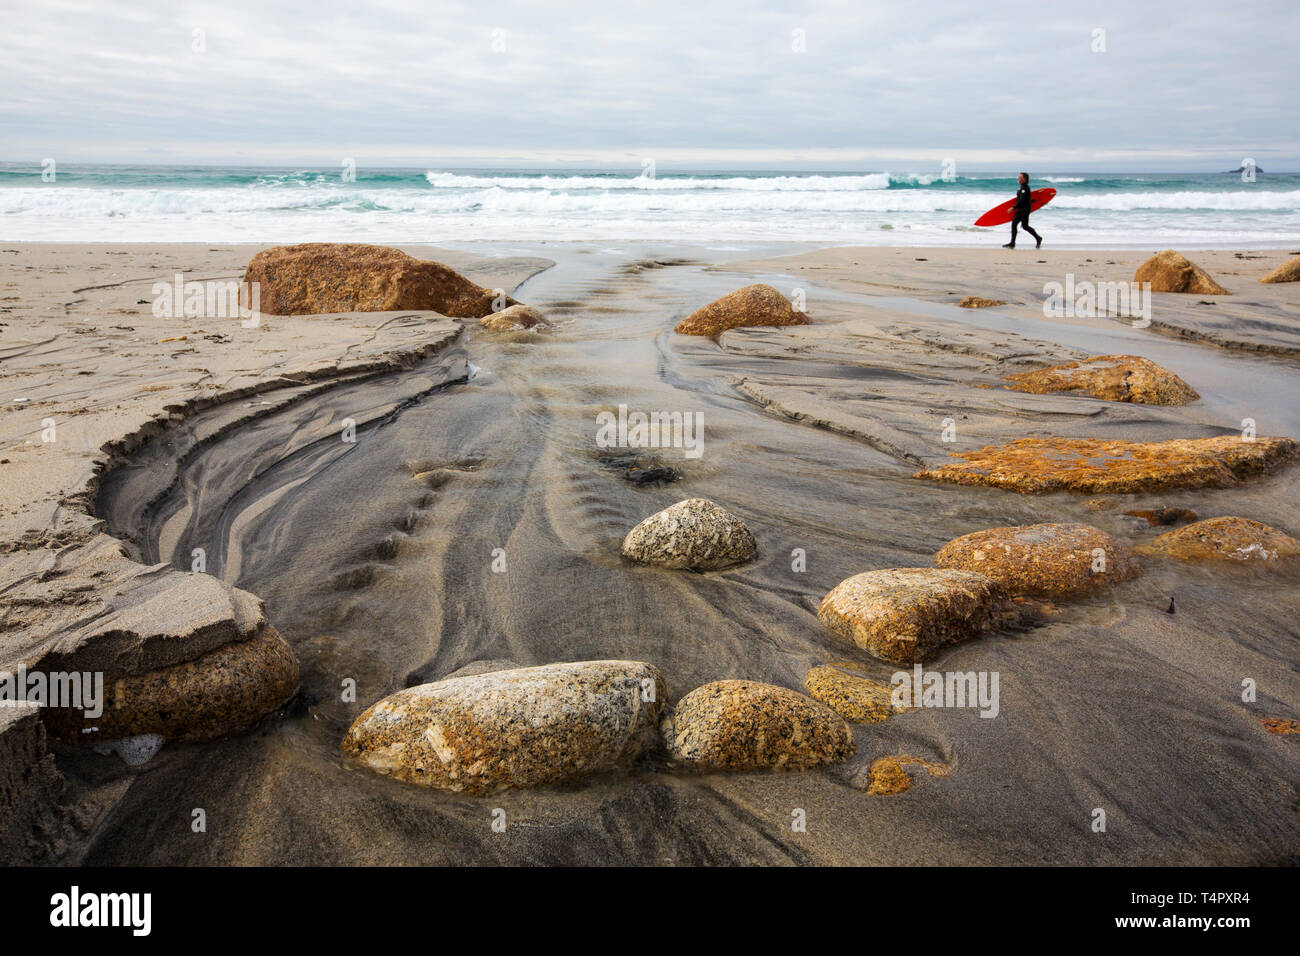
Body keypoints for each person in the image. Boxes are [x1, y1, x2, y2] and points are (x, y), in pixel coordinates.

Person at [1003, 172, 1042, 249]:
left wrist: (1013, 207)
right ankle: (1012, 243)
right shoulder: (1022, 187)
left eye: (1020, 177)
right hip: (1020, 209)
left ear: (1024, 179)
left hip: (1024, 210)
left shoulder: (1025, 188)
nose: (1018, 179)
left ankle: (1038, 238)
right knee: (1014, 224)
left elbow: (1022, 200)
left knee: (1025, 226)